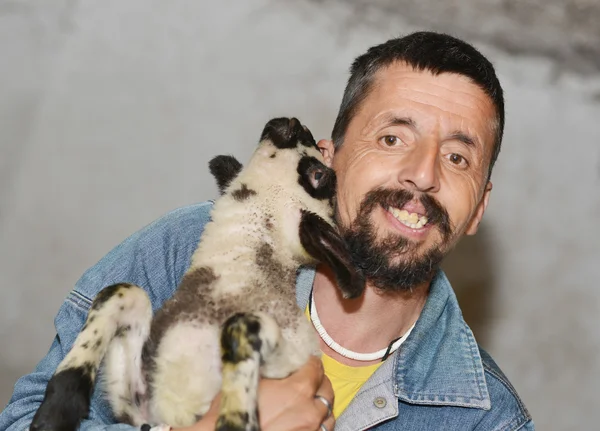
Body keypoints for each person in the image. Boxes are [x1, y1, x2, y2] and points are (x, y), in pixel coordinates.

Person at [0, 31, 534, 431]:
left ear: (479, 207)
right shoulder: (192, 248)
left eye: (459, 157)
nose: (424, 173)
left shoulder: (488, 419)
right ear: (331, 157)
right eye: (393, 138)